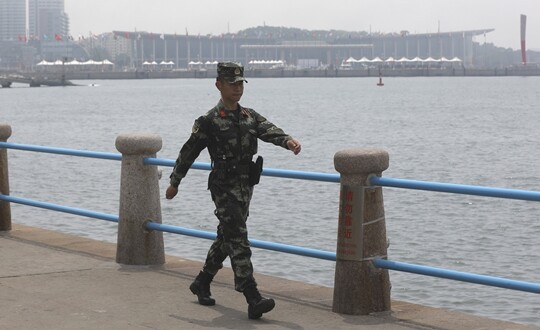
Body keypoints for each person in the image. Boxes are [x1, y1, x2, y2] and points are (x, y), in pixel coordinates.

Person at [165, 62, 302, 319]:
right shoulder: (209, 121)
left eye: (240, 84)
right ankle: (252, 297)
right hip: (223, 187)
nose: (237, 88)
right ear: (219, 85)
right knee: (238, 238)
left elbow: (268, 130)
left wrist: (288, 141)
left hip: (245, 186)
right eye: (232, 83)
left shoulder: (249, 115)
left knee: (227, 236)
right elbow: (189, 151)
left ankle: (202, 281)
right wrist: (175, 181)